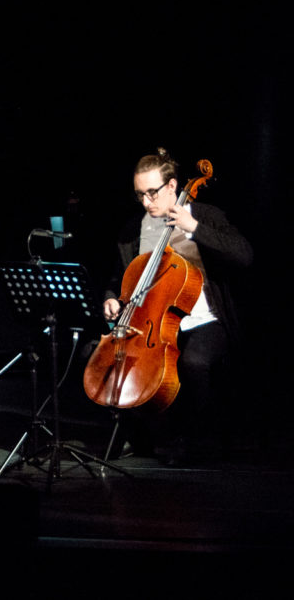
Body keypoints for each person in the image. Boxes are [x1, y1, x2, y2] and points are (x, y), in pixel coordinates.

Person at [101, 147, 252, 463]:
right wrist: (111, 299)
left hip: (205, 321)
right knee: (102, 355)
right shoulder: (133, 231)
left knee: (194, 361)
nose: (146, 202)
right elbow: (119, 279)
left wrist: (194, 227)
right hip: (152, 324)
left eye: (152, 193)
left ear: (172, 186)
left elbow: (243, 255)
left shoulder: (205, 216)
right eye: (140, 195)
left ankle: (197, 439)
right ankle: (139, 434)